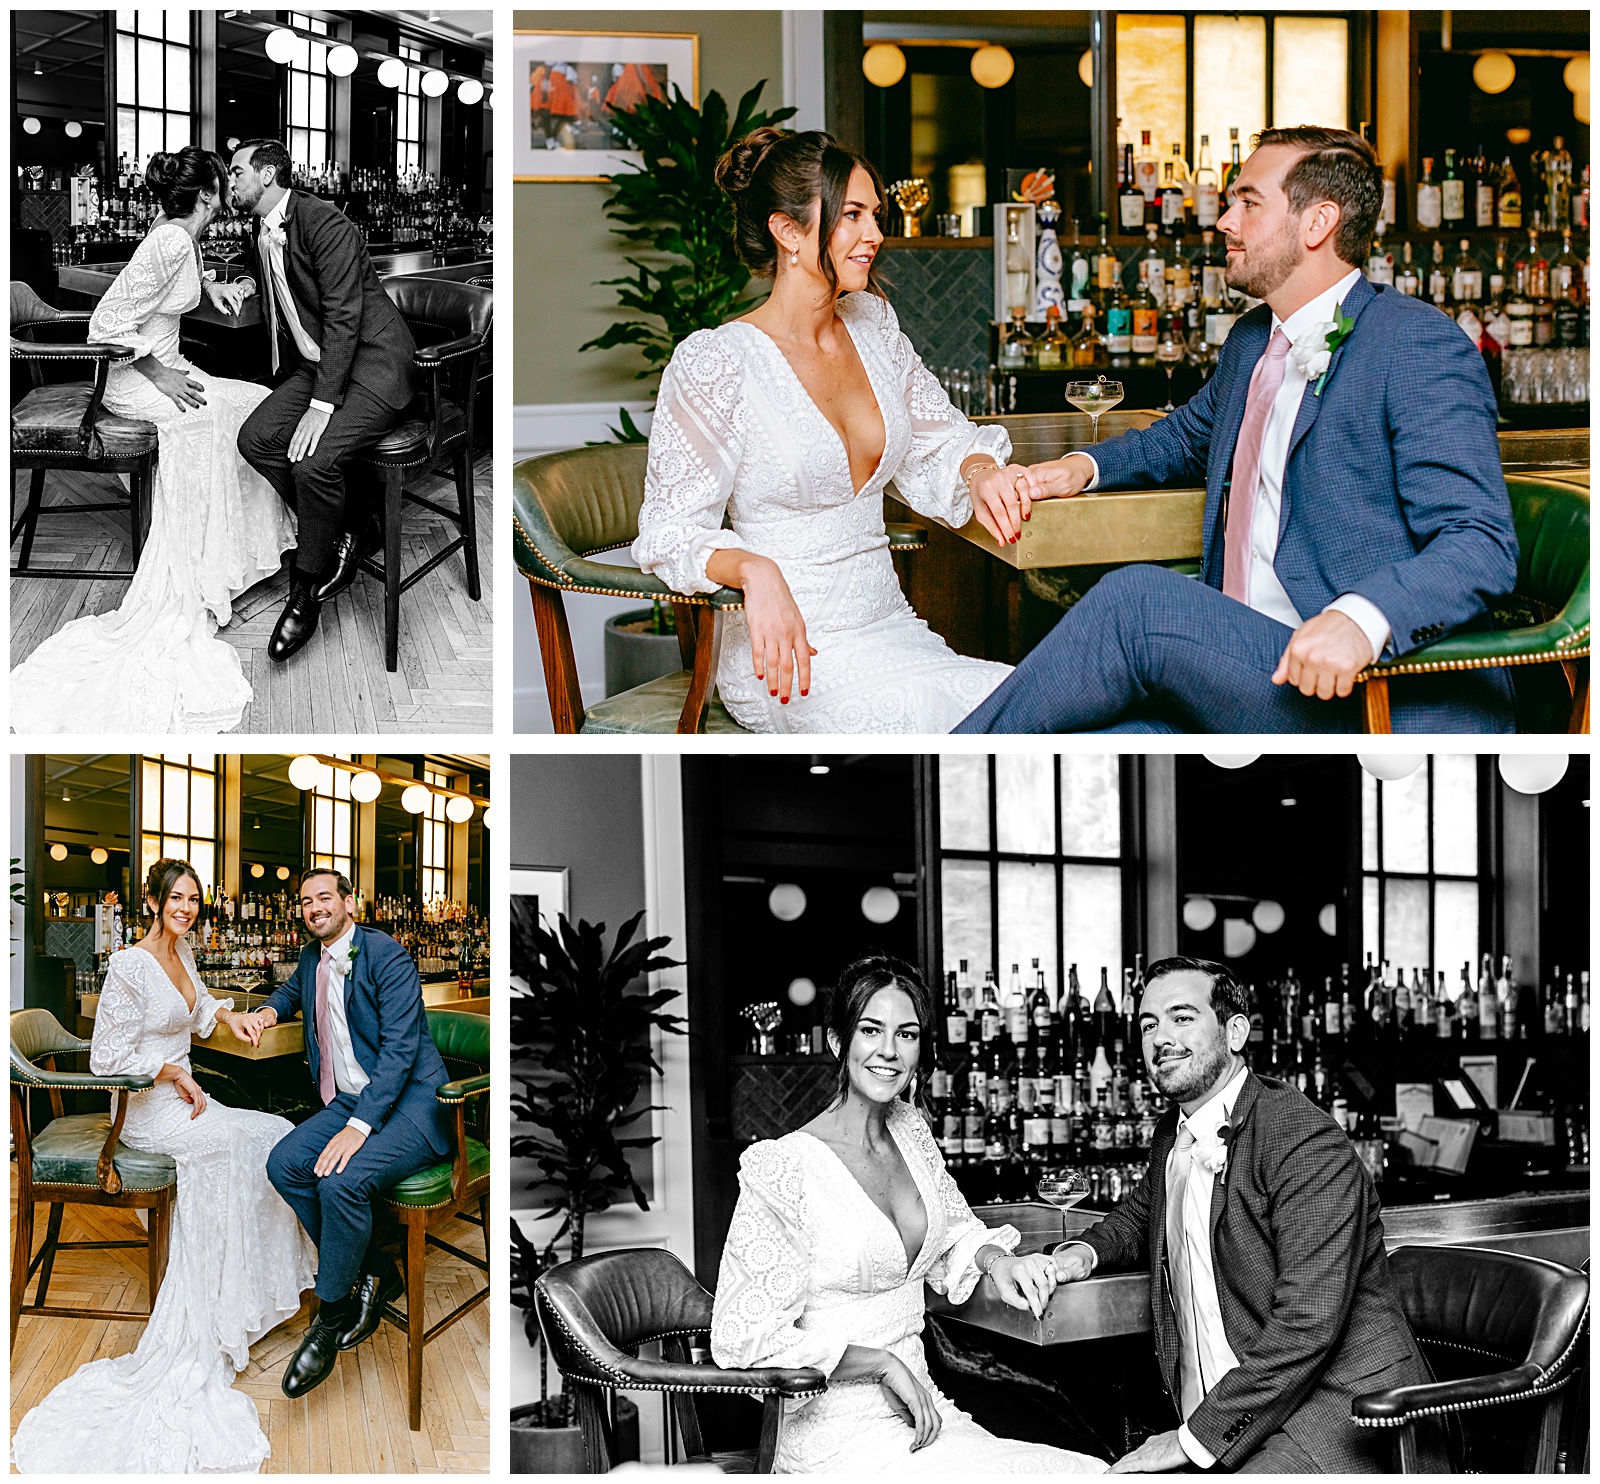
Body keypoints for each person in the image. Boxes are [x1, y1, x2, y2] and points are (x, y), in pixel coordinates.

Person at [956, 126, 1519, 735]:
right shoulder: (1253, 341)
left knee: (1139, 601)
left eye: (1249, 203)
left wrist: (1360, 620)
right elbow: (1182, 438)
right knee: (1101, 749)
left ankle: (938, 772)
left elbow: (1480, 544)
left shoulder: (1415, 343)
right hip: (1246, 668)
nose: (1224, 221)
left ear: (1317, 223)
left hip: (1369, 691)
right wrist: (1080, 468)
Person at [632, 127, 1038, 733]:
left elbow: (941, 442)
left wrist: (979, 470)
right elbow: (668, 532)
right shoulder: (716, 363)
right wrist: (753, 569)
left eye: (875, 214)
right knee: (956, 722)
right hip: (790, 656)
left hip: (892, 629)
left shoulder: (872, 325)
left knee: (1025, 702)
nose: (875, 235)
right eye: (851, 216)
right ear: (787, 231)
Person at [711, 955, 1107, 1473]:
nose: (889, 1051)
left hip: (925, 1415)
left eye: (907, 1034)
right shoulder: (784, 1167)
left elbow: (955, 1231)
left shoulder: (911, 1133)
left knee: (1086, 1471)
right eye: (870, 1030)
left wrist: (996, 1261)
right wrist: (879, 1365)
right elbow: (744, 1339)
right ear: (838, 1042)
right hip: (835, 1435)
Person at [1049, 957, 1441, 1473]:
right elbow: (1141, 1211)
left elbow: (1306, 1323)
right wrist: (1083, 1251)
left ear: (1235, 1031)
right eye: (1148, 1024)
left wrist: (1191, 1440)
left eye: (1182, 1017)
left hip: (1340, 1412)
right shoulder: (1174, 1133)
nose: (1160, 1037)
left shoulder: (1301, 1139)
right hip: (1243, 1412)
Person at [10, 859, 315, 1473]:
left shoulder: (184, 956)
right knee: (248, 1142)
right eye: (176, 898)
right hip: (149, 1109)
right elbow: (105, 1058)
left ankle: (238, 1297)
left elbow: (201, 1012)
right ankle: (217, 1308)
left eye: (194, 899)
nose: (186, 907)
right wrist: (169, 1071)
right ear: (151, 902)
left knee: (275, 1133)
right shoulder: (128, 965)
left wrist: (234, 1017)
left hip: (187, 1100)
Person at [8, 146, 297, 734]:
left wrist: (213, 286)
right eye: (227, 180)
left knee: (248, 404)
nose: (233, 187)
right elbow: (105, 324)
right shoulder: (170, 241)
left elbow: (170, 291)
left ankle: (233, 557)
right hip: (134, 381)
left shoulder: (178, 238)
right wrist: (161, 374)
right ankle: (205, 568)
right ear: (211, 195)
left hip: (166, 366)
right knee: (215, 420)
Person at [229, 867, 450, 1399]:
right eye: (305, 901)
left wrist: (358, 1127)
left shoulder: (387, 955)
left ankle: (330, 1318)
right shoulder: (312, 956)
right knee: (284, 1164)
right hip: (353, 1100)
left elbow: (400, 1052)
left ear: (349, 903)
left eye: (324, 897)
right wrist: (265, 1010)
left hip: (414, 1102)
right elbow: (290, 990)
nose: (314, 907)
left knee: (340, 1182)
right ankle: (376, 1268)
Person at [229, 138, 420, 664]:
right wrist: (245, 280)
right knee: (257, 439)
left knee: (314, 462)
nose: (231, 180)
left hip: (375, 364)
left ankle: (305, 590)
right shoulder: (261, 228)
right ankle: (355, 524)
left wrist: (321, 405)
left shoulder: (325, 222)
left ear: (268, 175)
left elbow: (344, 316)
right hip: (318, 364)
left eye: (239, 171)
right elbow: (267, 271)